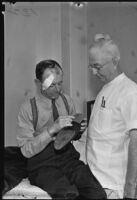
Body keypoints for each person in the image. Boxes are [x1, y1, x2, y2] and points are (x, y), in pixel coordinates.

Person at [16, 59, 106, 200]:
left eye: (60, 83)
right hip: (41, 165)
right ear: (38, 83)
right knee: (67, 195)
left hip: (68, 158)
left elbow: (71, 135)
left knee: (96, 193)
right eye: (52, 85)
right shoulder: (27, 109)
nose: (58, 89)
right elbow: (25, 150)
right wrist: (51, 130)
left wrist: (78, 130)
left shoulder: (67, 101)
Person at [86, 34, 137, 199]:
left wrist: (129, 190)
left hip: (112, 185)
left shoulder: (130, 91)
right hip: (94, 179)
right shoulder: (105, 89)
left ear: (115, 61)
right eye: (90, 66)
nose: (93, 72)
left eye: (97, 66)